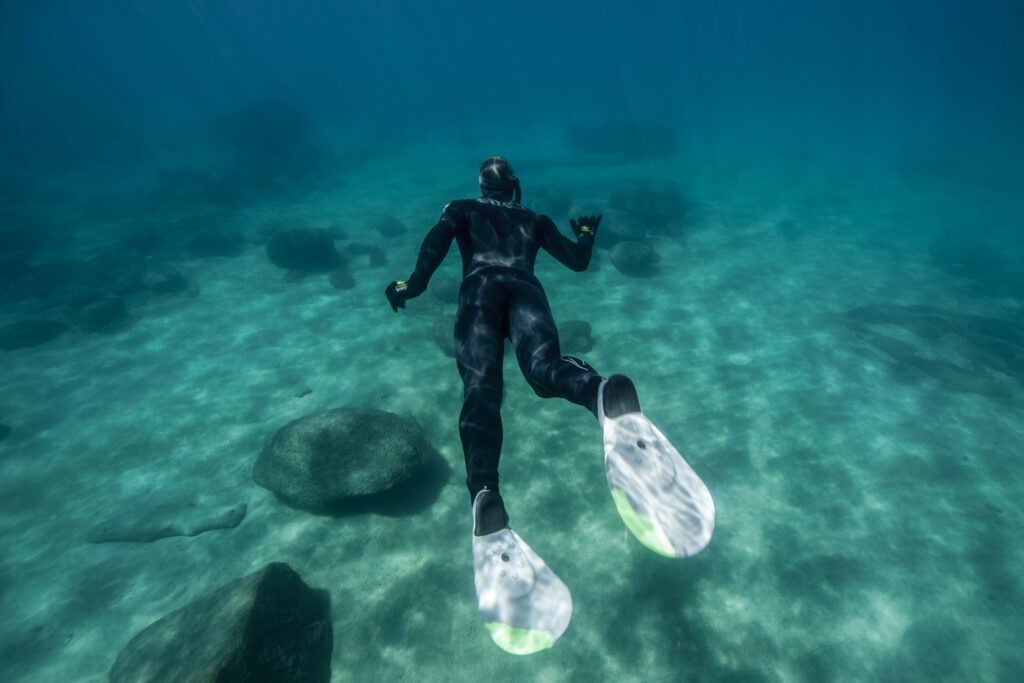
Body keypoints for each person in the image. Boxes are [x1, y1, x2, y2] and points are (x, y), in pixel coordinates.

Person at [385, 156, 713, 654]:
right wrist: (584, 233)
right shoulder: (533, 218)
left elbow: (433, 249)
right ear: (513, 187)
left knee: (480, 391)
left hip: (478, 291)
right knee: (543, 370)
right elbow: (579, 262)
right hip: (525, 289)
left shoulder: (459, 208)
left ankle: (484, 493)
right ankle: (600, 394)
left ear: (480, 187)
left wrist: (410, 285)